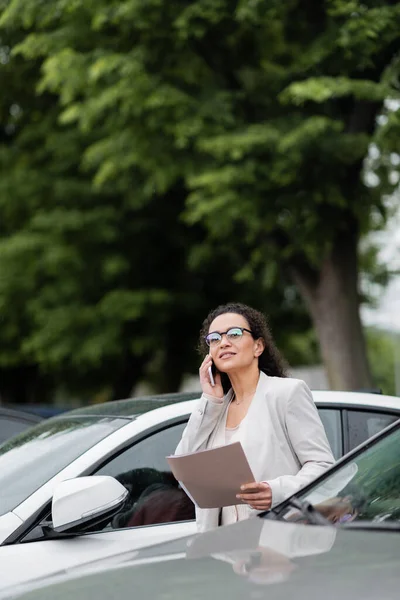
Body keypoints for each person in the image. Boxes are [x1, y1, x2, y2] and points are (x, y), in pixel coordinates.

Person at [175, 302, 335, 532]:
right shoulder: (215, 408)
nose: (224, 342)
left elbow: (323, 467)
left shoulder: (286, 393)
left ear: (258, 346)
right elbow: (185, 469)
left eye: (235, 334)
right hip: (222, 550)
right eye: (214, 339)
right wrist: (210, 400)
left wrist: (276, 491)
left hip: (275, 547)